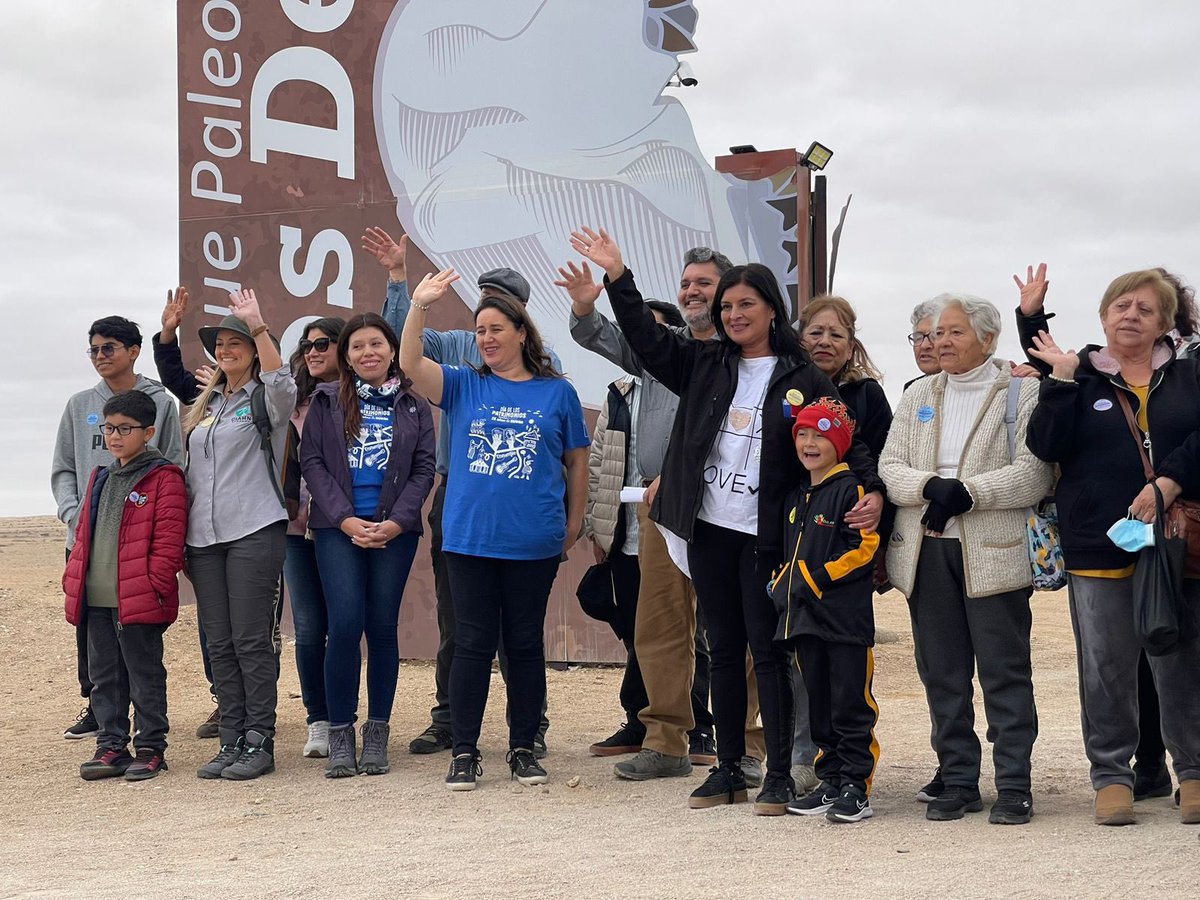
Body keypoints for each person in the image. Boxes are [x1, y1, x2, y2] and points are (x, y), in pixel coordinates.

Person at [570, 227, 884, 816]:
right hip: (707, 528)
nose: (735, 314)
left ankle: (776, 778)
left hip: (765, 535)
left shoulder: (802, 377)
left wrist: (872, 493)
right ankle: (729, 769)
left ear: (772, 311)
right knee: (721, 647)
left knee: (766, 652)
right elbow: (642, 334)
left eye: (747, 304)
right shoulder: (702, 362)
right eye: (727, 306)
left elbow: (852, 442)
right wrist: (618, 275)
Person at [560, 247, 764, 786]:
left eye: (705, 284)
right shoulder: (661, 353)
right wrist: (586, 305)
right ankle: (666, 741)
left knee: (736, 629)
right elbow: (599, 335)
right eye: (686, 283)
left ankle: (744, 746)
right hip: (661, 511)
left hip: (730, 505)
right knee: (658, 627)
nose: (693, 291)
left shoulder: (745, 357)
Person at [365, 226, 558, 757]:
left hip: (520, 499)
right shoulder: (457, 345)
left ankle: (529, 725)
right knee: (460, 618)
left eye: (503, 308)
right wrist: (401, 280)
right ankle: (450, 718)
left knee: (520, 629)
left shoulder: (548, 366)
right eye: (485, 305)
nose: (490, 325)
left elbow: (562, 447)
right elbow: (404, 345)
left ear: (522, 316)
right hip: (462, 494)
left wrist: (566, 514)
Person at [399, 267, 589, 792]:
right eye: (480, 330)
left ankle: (523, 748)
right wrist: (420, 304)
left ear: (522, 333)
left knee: (524, 645)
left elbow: (577, 462)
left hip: (533, 542)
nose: (485, 338)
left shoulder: (557, 394)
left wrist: (573, 523)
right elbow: (410, 362)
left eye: (496, 329)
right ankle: (464, 751)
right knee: (473, 646)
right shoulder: (463, 383)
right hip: (468, 540)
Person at [1024, 268, 1200, 827]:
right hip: (1097, 541)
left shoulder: (1192, 376)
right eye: (1122, 305)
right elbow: (1045, 444)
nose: (1132, 315)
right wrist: (1060, 382)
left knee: (1180, 661)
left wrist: (1167, 482)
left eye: (1146, 309)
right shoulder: (1081, 376)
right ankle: (1111, 776)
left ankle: (1193, 772)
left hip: (1177, 542)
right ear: (1104, 316)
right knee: (1105, 665)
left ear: (1165, 324)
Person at [879, 293, 1053, 826]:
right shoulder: (917, 394)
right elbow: (890, 465)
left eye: (953, 332)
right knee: (942, 673)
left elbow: (1035, 473)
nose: (939, 342)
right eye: (932, 333)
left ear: (987, 337)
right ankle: (957, 779)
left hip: (993, 552)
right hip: (926, 552)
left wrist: (969, 492)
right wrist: (932, 485)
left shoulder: (1023, 390)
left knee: (1004, 672)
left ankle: (1015, 784)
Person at [301, 314, 435, 778]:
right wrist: (345, 518)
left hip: (393, 534)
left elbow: (424, 468)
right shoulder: (324, 401)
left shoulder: (414, 406)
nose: (366, 353)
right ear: (346, 356)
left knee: (381, 628)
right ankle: (341, 734)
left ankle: (377, 734)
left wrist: (397, 523)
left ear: (392, 350)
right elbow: (312, 462)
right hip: (340, 529)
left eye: (375, 344)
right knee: (343, 625)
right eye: (356, 347)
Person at [52, 315, 183, 741]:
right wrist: (75, 516)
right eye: (93, 349)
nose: (100, 356)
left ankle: (147, 734)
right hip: (88, 541)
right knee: (93, 635)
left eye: (108, 347)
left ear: (133, 351)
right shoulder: (78, 405)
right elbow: (64, 469)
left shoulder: (159, 402)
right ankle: (99, 711)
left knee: (137, 637)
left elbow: (174, 464)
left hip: (138, 543)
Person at [186, 289, 296, 782]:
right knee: (220, 642)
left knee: (252, 640)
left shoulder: (262, 399)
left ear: (253, 349)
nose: (226, 350)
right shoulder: (209, 403)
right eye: (220, 343)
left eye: (236, 342)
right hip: (203, 538)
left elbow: (283, 383)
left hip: (253, 528)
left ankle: (260, 740)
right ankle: (231, 738)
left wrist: (256, 323)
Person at [581, 301, 687, 759]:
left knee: (680, 629)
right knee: (638, 630)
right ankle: (638, 718)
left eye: (652, 332)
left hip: (673, 523)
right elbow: (601, 460)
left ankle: (693, 726)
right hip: (624, 529)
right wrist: (597, 527)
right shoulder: (619, 393)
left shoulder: (687, 385)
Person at [63, 390, 187, 782]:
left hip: (138, 599)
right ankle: (111, 745)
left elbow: (169, 543)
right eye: (109, 428)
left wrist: (153, 586)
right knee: (104, 674)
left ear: (148, 432)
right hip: (97, 597)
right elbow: (84, 535)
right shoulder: (101, 476)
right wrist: (75, 582)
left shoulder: (164, 477)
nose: (115, 436)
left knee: (144, 673)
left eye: (125, 429)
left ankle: (151, 747)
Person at [797, 294, 893, 789]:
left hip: (849, 543)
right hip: (796, 536)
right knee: (802, 656)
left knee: (845, 666)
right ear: (800, 336)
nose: (825, 342)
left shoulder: (867, 397)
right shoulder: (785, 385)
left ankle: (852, 777)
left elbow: (879, 459)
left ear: (851, 343)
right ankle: (810, 761)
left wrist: (876, 495)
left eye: (836, 334)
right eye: (816, 332)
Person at [768, 398, 880, 823]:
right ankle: (831, 780)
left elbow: (864, 548)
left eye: (820, 435)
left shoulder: (850, 489)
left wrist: (813, 579)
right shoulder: (799, 494)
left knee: (852, 704)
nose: (810, 443)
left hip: (844, 622)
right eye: (803, 434)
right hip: (804, 622)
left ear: (839, 442)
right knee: (819, 705)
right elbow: (788, 555)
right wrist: (782, 584)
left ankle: (857, 787)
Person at [282, 316, 346, 760]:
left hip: (339, 525)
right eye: (308, 345)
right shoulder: (293, 399)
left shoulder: (362, 399)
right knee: (308, 627)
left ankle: (346, 717)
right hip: (293, 526)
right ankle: (318, 721)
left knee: (343, 625)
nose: (314, 351)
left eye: (323, 343)